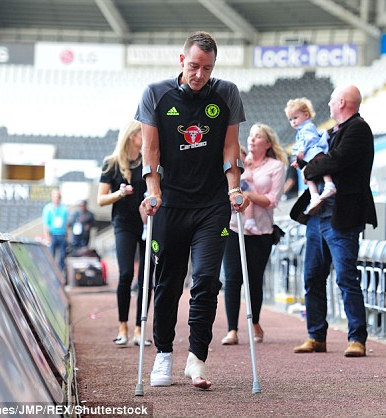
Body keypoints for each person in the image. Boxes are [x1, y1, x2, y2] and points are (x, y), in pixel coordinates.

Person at [135, 31, 248, 390]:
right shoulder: (156, 93)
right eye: (195, 66)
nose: (200, 75)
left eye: (208, 68)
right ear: (181, 60)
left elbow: (231, 147)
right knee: (168, 282)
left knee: (206, 281)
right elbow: (150, 151)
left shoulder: (226, 92)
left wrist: (235, 186)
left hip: (212, 204)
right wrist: (153, 189)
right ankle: (164, 354)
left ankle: (197, 358)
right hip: (170, 203)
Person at [290, 84, 378, 358]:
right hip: (319, 216)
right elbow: (315, 163)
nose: (327, 104)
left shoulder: (358, 129)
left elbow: (333, 162)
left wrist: (311, 166)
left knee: (346, 277)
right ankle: (316, 335)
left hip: (343, 216)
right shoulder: (332, 131)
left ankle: (357, 338)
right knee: (313, 277)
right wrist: (312, 165)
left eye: (331, 100)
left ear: (341, 102)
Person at [221, 123, 286, 346]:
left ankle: (255, 321)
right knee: (231, 278)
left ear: (267, 144)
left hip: (261, 230)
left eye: (258, 137)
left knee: (254, 279)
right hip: (233, 226)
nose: (252, 140)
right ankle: (232, 329)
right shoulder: (239, 162)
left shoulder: (276, 167)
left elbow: (272, 200)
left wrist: (247, 194)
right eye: (250, 136)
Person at [97, 120, 153, 348]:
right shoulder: (111, 164)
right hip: (123, 223)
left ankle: (140, 328)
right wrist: (119, 193)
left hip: (147, 223)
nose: (146, 136)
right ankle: (123, 326)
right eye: (143, 133)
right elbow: (101, 199)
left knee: (146, 277)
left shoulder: (148, 160)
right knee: (126, 273)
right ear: (132, 136)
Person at [286, 97, 336, 215]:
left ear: (306, 115)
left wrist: (302, 149)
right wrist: (298, 161)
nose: (293, 121)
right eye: (290, 119)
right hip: (308, 156)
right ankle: (314, 196)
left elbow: (311, 139)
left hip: (315, 151)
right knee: (308, 175)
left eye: (295, 117)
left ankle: (329, 184)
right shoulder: (300, 131)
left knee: (321, 167)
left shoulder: (308, 127)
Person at [42, 188, 69, 272]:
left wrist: (67, 237)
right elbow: (46, 224)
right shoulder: (48, 208)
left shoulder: (64, 209)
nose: (56, 198)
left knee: (62, 256)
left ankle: (60, 273)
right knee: (51, 256)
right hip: (52, 235)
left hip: (62, 235)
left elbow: (66, 224)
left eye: (57, 197)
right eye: (54, 196)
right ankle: (51, 272)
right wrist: (47, 238)